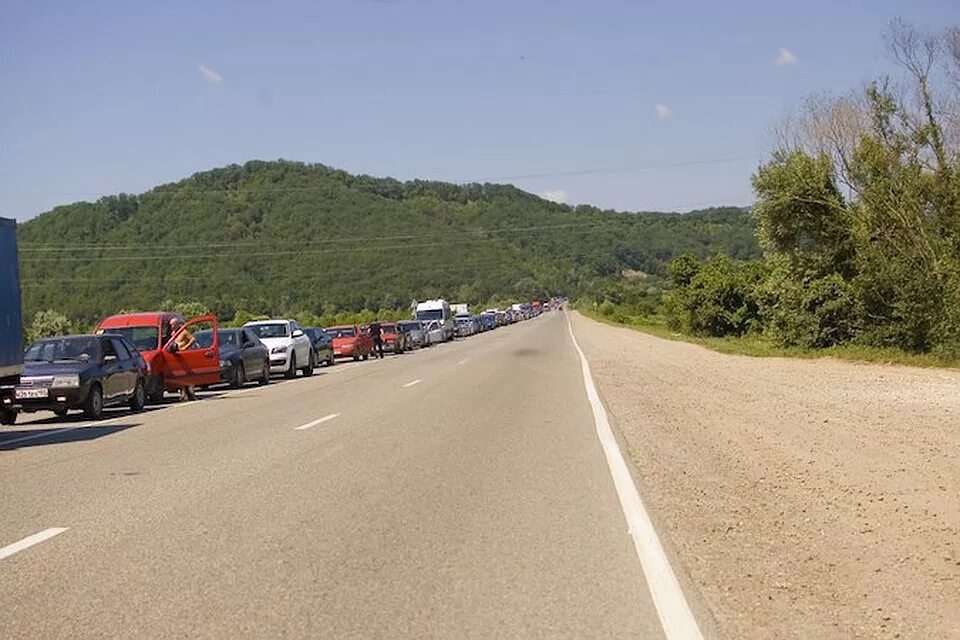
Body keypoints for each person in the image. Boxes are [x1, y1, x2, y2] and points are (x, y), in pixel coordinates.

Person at [168, 317, 198, 401]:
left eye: (173, 325)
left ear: (177, 324)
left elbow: (193, 339)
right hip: (177, 356)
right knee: (180, 375)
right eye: (171, 325)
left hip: (185, 355)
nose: (172, 327)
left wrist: (185, 347)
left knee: (188, 374)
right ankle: (183, 393)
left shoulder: (184, 332)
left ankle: (191, 393)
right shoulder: (173, 333)